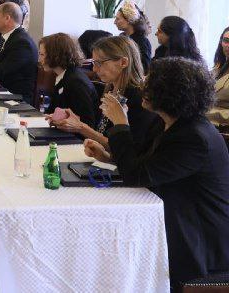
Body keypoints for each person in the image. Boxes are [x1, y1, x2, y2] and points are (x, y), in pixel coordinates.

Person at [84, 58, 229, 286]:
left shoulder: (194, 137)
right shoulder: (167, 122)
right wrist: (109, 156)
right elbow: (142, 161)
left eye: (150, 83)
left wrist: (121, 123)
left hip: (200, 237)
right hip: (175, 215)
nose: (142, 86)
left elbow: (136, 175)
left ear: (170, 93)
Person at [52, 36, 161, 149]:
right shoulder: (111, 90)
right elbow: (102, 132)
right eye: (94, 63)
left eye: (99, 63)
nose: (94, 69)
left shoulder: (139, 98)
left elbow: (127, 150)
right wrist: (75, 122)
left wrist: (81, 127)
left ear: (123, 62)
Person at [39, 33, 99, 128]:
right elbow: (53, 110)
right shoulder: (65, 76)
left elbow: (87, 122)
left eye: (42, 54)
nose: (39, 59)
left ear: (55, 55)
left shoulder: (76, 82)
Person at [114, 1, 153, 72]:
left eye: (118, 19)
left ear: (129, 20)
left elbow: (145, 67)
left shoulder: (141, 41)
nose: (114, 22)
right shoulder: (123, 38)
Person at [208, 26, 229, 124]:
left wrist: (205, 113)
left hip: (223, 129)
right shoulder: (218, 67)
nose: (228, 45)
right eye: (226, 41)